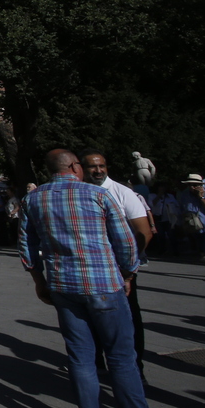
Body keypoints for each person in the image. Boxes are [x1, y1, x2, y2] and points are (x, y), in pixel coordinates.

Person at [20, 149, 180, 408]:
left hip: (63, 286)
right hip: (104, 284)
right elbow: (125, 242)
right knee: (121, 358)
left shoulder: (34, 199)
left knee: (81, 358)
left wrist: (39, 281)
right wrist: (128, 274)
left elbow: (27, 248)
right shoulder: (97, 195)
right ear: (75, 167)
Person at [80, 150, 152, 379]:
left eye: (102, 165)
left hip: (120, 269)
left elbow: (144, 232)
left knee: (129, 318)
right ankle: (96, 363)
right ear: (82, 168)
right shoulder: (79, 193)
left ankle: (135, 367)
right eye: (92, 166)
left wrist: (128, 269)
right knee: (90, 317)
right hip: (89, 268)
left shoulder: (122, 193)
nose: (98, 170)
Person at [177, 175, 205, 277]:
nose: (192, 187)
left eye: (195, 185)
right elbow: (183, 209)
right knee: (203, 250)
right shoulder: (184, 195)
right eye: (190, 185)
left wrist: (201, 197)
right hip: (194, 227)